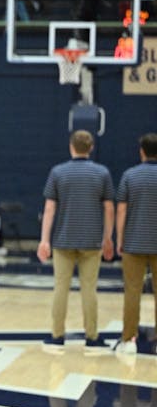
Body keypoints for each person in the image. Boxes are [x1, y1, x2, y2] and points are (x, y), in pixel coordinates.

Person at [37, 130, 114, 348]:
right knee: (90, 289)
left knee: (60, 288)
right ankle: (92, 336)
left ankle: (57, 335)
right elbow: (109, 209)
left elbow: (49, 208)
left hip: (63, 241)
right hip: (92, 241)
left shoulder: (58, 172)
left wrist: (44, 240)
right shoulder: (102, 173)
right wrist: (108, 238)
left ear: (71, 146)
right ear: (91, 148)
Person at [114, 132, 157, 353]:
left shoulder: (129, 176)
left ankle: (129, 339)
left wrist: (119, 239)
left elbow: (121, 209)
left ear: (142, 151)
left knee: (132, 292)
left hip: (134, 242)